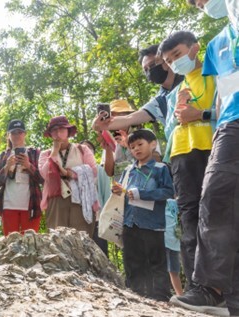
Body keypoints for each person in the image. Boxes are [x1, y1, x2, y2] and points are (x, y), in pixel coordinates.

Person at [170, 2, 239, 316]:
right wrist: (212, 121)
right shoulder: (219, 44)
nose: (201, 5)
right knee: (215, 197)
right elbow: (225, 95)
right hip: (231, 125)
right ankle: (213, 290)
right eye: (196, 4)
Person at [158, 30, 217, 291]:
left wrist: (200, 114)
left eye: (177, 55)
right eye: (169, 60)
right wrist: (177, 114)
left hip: (214, 149)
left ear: (195, 48)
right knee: (188, 218)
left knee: (217, 215)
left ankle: (222, 288)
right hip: (181, 156)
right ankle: (196, 288)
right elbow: (170, 131)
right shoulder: (177, 91)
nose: (174, 63)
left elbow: (229, 111)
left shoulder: (218, 75)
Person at [111, 129, 174, 301]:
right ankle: (135, 294)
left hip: (153, 224)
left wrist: (143, 194)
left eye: (140, 144)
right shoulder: (128, 170)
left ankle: (161, 297)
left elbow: (169, 192)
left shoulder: (161, 169)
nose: (136, 149)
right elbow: (123, 192)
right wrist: (118, 191)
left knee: (156, 260)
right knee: (132, 259)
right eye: (132, 147)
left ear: (153, 144)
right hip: (130, 223)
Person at [92, 44, 184, 132]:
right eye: (146, 70)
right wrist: (101, 124)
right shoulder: (159, 101)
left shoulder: (190, 80)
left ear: (167, 59)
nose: (150, 71)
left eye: (152, 65)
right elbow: (129, 118)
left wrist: (198, 115)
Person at [38, 116, 98, 236]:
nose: (58, 133)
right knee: (57, 239)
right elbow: (45, 174)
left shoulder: (82, 149)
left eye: (61, 129)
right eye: (54, 130)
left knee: (81, 240)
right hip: (56, 199)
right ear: (50, 134)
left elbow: (93, 171)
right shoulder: (46, 154)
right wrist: (55, 151)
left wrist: (69, 173)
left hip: (81, 198)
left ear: (68, 131)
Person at [0, 119, 43, 236]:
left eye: (19, 132)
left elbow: (43, 180)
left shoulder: (35, 153)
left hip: (31, 206)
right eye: (13, 133)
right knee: (11, 245)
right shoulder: (3, 156)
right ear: (8, 136)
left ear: (25, 134)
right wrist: (7, 166)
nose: (16, 135)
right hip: (8, 205)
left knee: (30, 244)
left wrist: (28, 165)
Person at [82, 140, 110, 256]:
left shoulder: (100, 170)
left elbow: (106, 193)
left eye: (89, 148)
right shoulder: (74, 171)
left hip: (98, 217)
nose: (86, 150)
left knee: (100, 251)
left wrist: (107, 216)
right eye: (83, 148)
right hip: (80, 218)